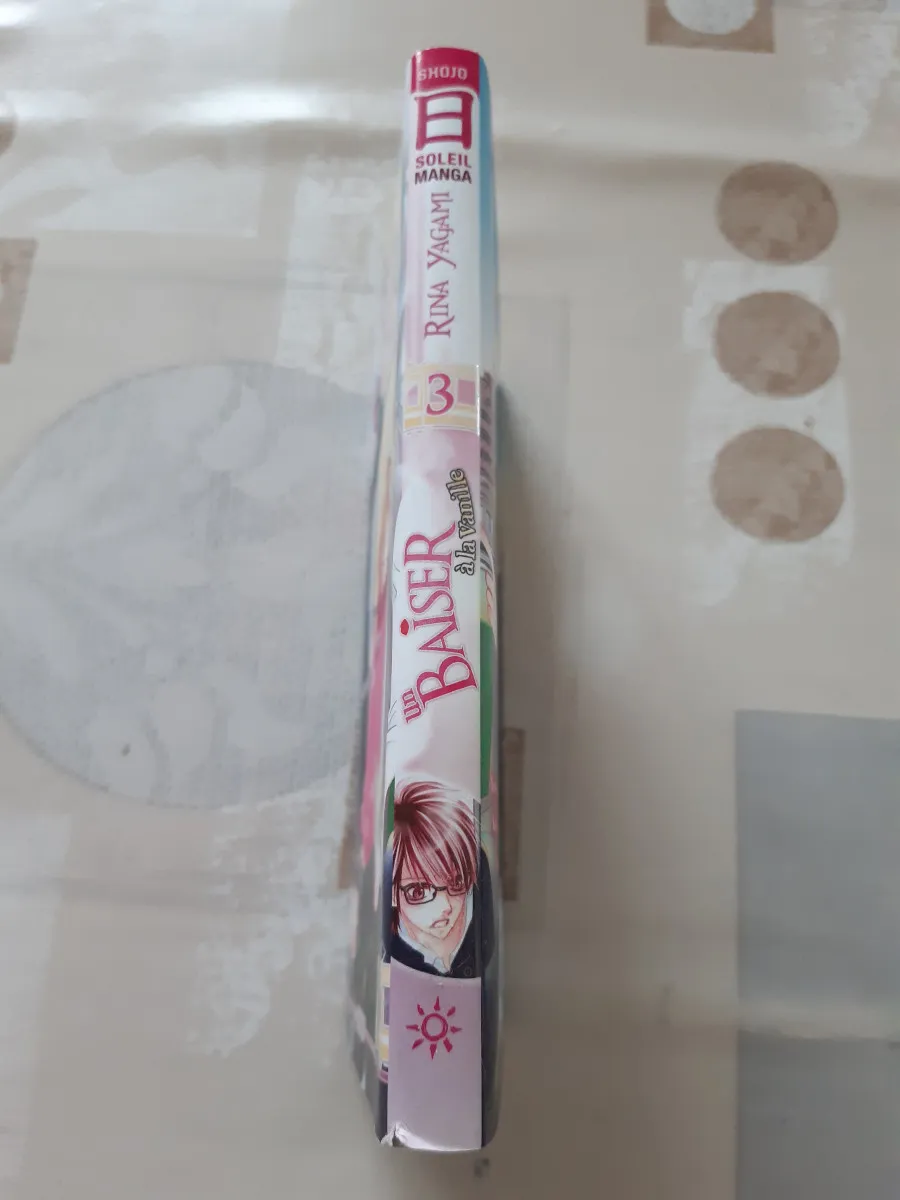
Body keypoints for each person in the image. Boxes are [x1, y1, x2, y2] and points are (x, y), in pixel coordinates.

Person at [383, 778, 494, 979]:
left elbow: (487, 947)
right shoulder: (396, 946)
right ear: (393, 893)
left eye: (457, 882)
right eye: (418, 891)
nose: (446, 907)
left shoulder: (476, 862)